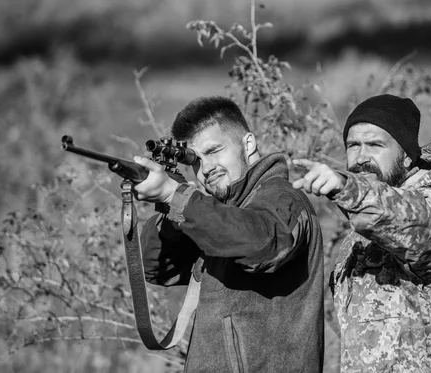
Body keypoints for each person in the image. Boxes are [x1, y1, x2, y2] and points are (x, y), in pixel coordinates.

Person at [292, 94, 431, 372]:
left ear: (407, 157)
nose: (361, 158)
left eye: (375, 145)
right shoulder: (360, 232)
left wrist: (347, 188)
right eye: (353, 146)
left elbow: (415, 226)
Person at [132, 96, 325, 372]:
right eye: (195, 161)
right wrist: (173, 210)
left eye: (214, 151)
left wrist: (178, 197)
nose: (206, 168)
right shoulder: (216, 214)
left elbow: (261, 245)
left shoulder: (283, 199)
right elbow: (155, 267)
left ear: (247, 144)